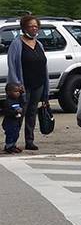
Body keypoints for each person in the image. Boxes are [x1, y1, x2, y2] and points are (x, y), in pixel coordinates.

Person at [5, 15, 50, 151]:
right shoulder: (17, 43)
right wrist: (16, 85)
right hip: (22, 87)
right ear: (24, 27)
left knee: (31, 114)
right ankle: (10, 144)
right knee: (18, 114)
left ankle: (29, 141)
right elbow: (12, 65)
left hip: (38, 84)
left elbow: (44, 65)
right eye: (31, 26)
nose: (34, 28)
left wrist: (45, 90)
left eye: (36, 26)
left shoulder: (39, 44)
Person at [2, 83, 25, 154]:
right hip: (9, 122)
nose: (17, 93)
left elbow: (23, 102)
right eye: (15, 91)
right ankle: (8, 146)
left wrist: (22, 93)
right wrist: (15, 112)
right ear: (9, 92)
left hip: (16, 122)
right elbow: (7, 112)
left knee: (16, 134)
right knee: (10, 134)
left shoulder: (18, 100)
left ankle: (13, 145)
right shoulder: (7, 102)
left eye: (18, 91)